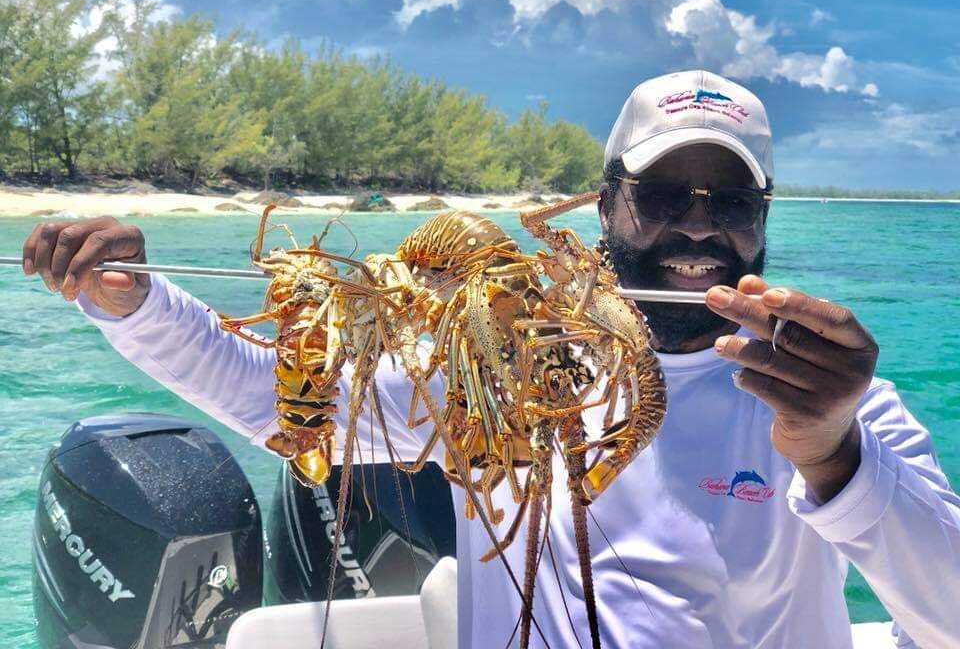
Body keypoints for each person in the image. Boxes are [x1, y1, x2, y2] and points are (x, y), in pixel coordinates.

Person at [21, 70, 960, 649]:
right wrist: (134, 302)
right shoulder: (495, 358)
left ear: (763, 219)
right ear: (604, 205)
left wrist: (836, 452)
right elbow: (283, 399)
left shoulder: (833, 397)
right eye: (663, 193)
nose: (698, 224)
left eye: (731, 201)